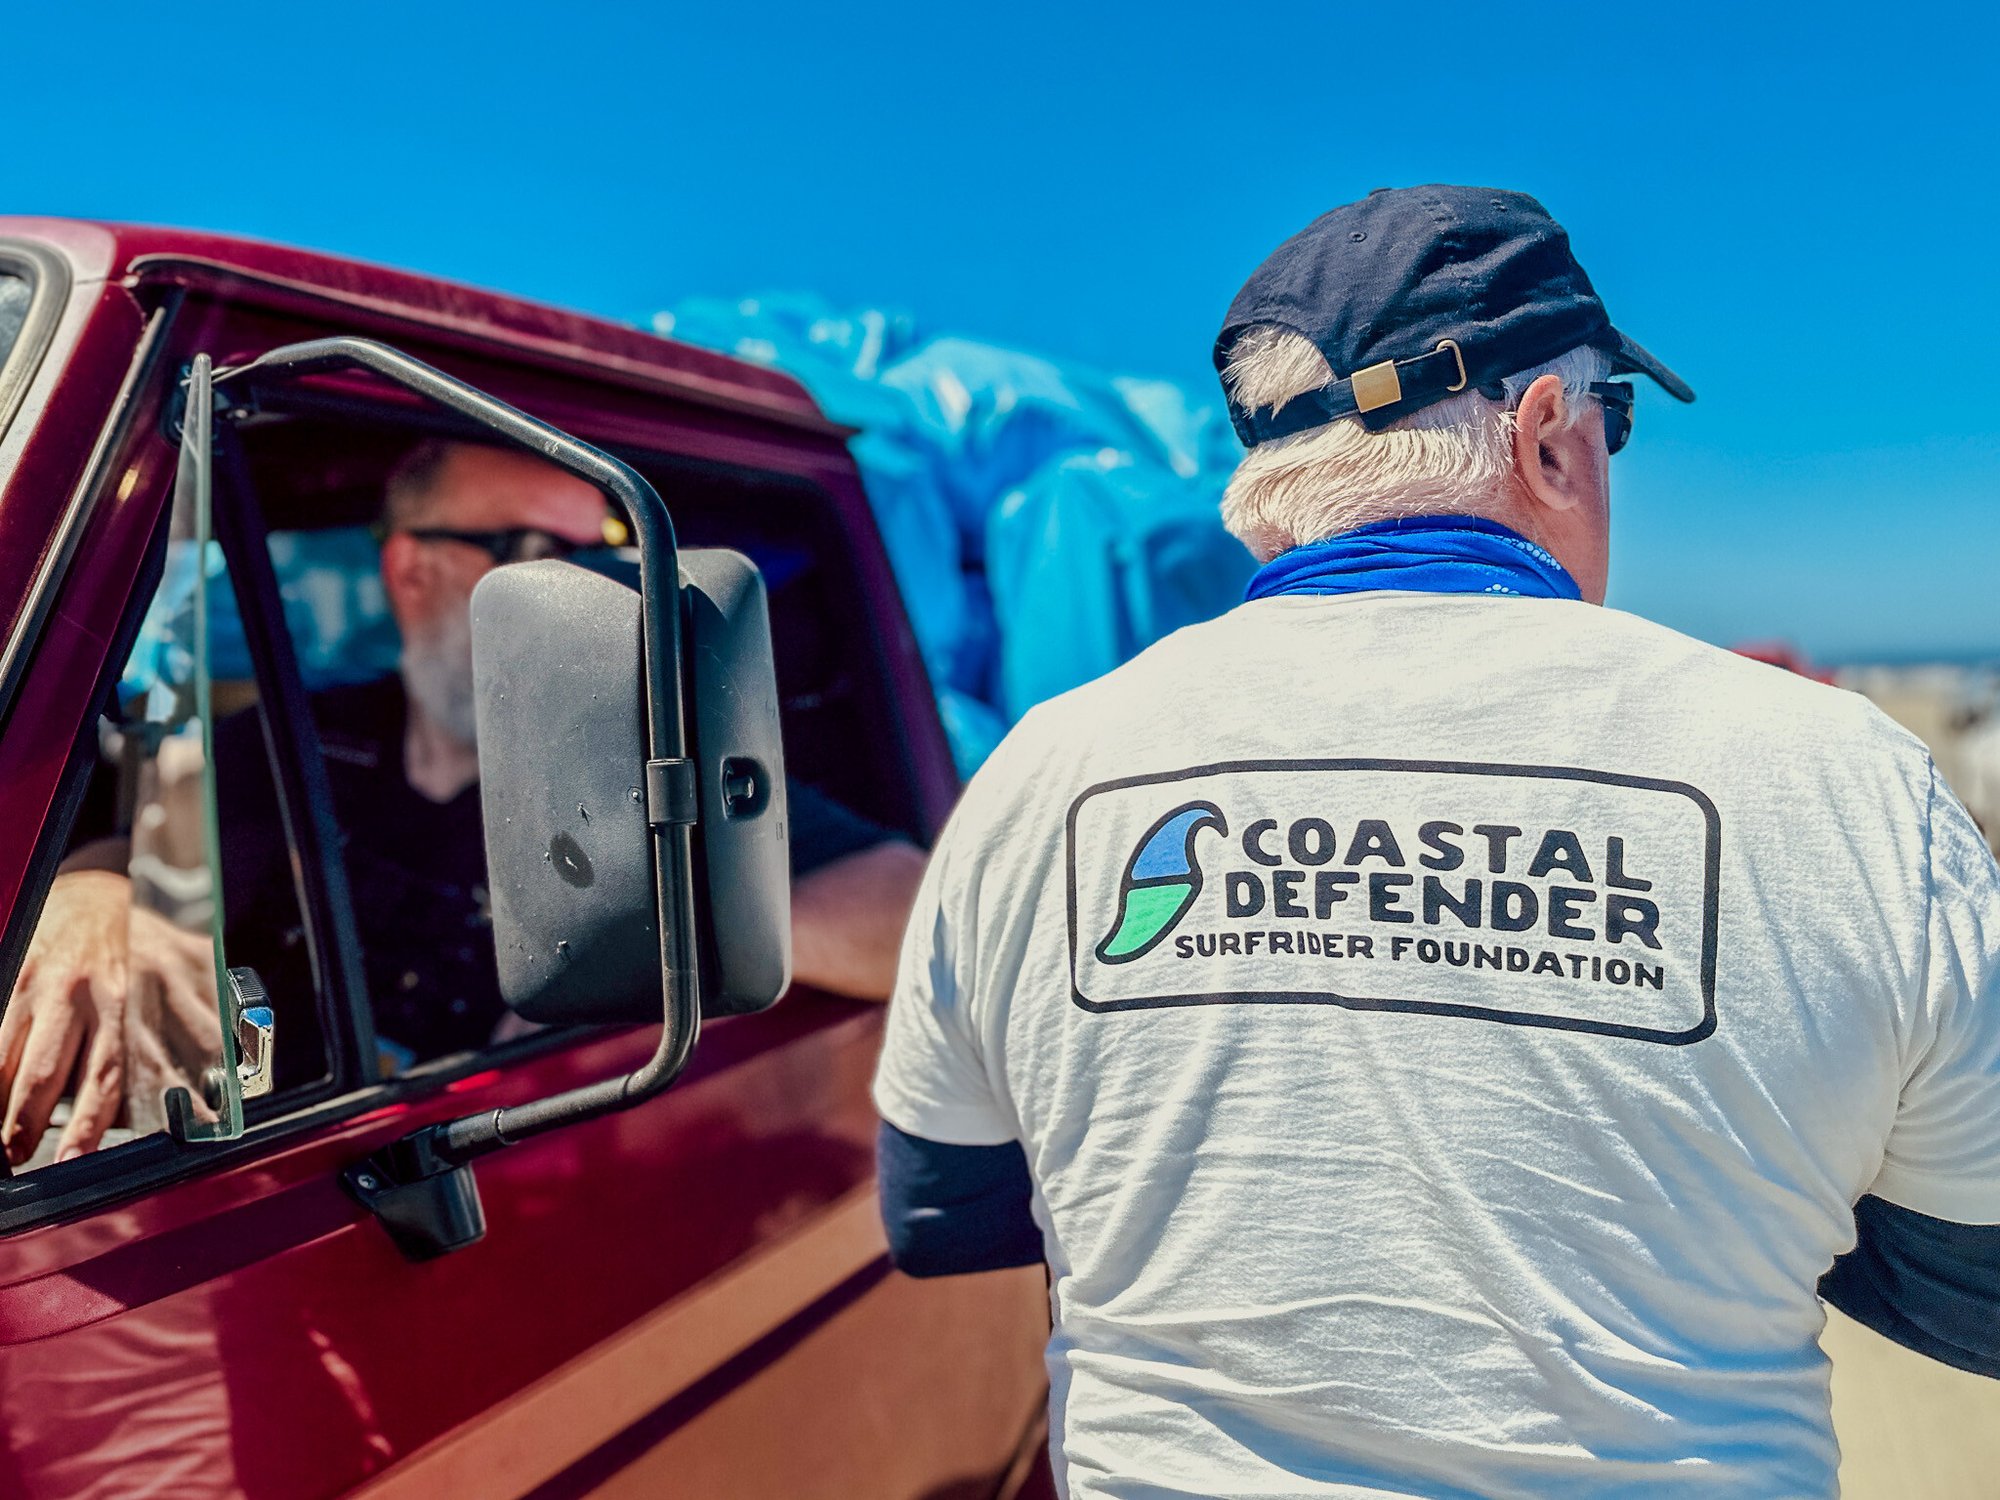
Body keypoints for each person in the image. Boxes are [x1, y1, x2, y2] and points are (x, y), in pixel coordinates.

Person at [871, 185, 2000, 1498]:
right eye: (1611, 421)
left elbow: (943, 1207)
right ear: (1547, 435)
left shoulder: (1039, 773)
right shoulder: (1845, 781)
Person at [2, 440, 927, 1162]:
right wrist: (92, 899)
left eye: (603, 561)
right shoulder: (303, 739)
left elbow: (914, 918)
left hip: (522, 1179)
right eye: (538, 557)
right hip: (293, 1167)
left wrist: (669, 923)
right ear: (413, 570)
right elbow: (157, 846)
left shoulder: (657, 768)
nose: (593, 596)